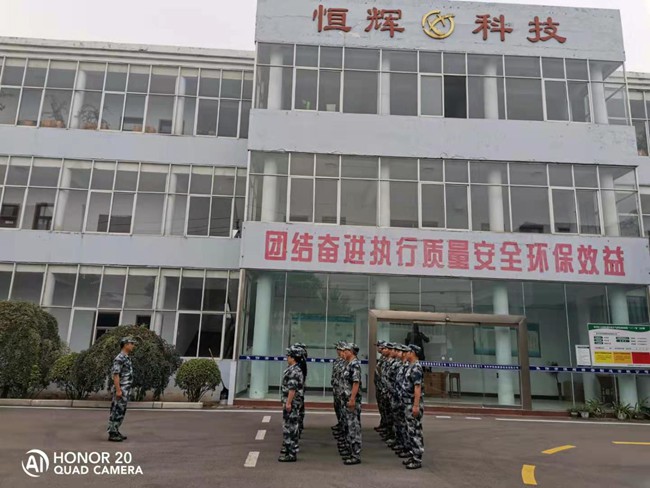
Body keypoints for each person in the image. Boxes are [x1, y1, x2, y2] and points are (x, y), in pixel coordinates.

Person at [107, 337, 137, 442]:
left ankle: (116, 430)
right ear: (125, 344)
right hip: (121, 389)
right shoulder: (119, 358)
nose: (133, 345)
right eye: (131, 343)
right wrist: (118, 390)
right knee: (117, 410)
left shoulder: (126, 357)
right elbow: (116, 375)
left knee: (121, 410)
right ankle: (112, 432)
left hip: (125, 389)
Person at [279, 346, 305, 462]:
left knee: (290, 427)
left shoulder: (294, 371)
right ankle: (289, 450)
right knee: (289, 426)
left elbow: (292, 389)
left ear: (293, 358)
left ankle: (291, 453)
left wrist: (288, 403)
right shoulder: (294, 369)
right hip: (292, 402)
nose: (287, 358)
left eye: (288, 356)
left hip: (292, 403)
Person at [401, 344, 424, 470]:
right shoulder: (411, 366)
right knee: (410, 430)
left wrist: (416, 405)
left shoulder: (416, 367)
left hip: (412, 403)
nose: (406, 353)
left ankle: (417, 458)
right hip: (407, 403)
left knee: (415, 431)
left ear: (413, 352)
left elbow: (417, 387)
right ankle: (412, 454)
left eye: (408, 351)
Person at [340, 343, 362, 465]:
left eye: (346, 350)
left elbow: (356, 383)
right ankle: (350, 450)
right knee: (349, 426)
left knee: (354, 426)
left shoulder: (355, 364)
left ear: (351, 351)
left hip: (352, 401)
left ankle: (355, 454)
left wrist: (352, 399)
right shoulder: (348, 363)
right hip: (346, 400)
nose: (343, 352)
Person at [293, 343, 308, 438]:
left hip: (298, 389)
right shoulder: (302, 360)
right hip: (300, 387)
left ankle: (296, 429)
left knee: (297, 409)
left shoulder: (300, 363)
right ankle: (298, 426)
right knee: (300, 407)